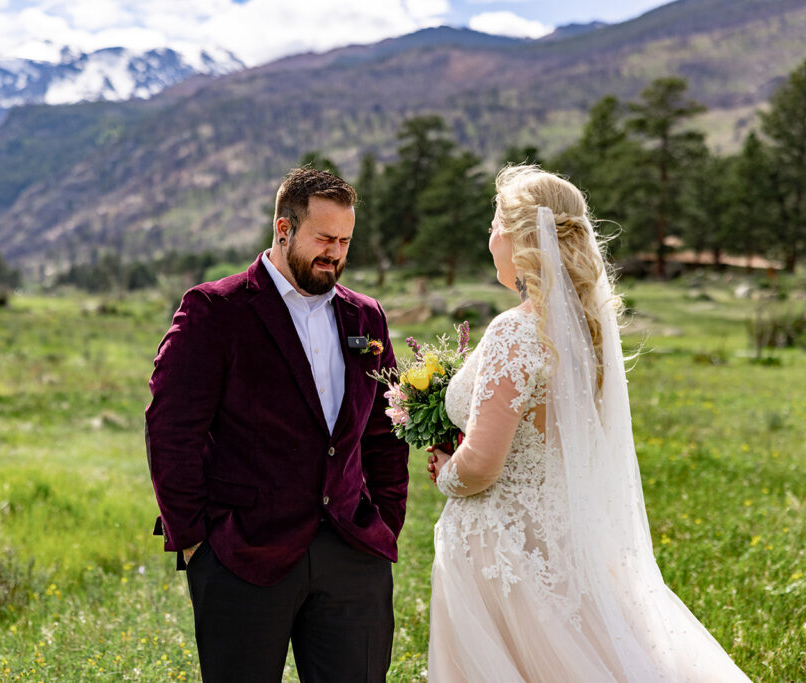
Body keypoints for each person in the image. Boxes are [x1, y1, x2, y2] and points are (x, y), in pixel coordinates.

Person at [425, 164, 751, 681]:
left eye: (493, 225)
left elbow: (483, 466)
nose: (489, 238)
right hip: (563, 540)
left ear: (514, 235)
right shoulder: (584, 334)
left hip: (504, 548)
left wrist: (443, 470)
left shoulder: (516, 332)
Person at [146, 167, 409, 682]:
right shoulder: (214, 310)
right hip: (242, 554)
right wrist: (197, 541)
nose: (335, 252)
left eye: (345, 241)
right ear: (284, 230)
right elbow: (171, 430)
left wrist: (386, 519)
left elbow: (384, 428)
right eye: (324, 238)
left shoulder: (366, 317)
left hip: (353, 554)